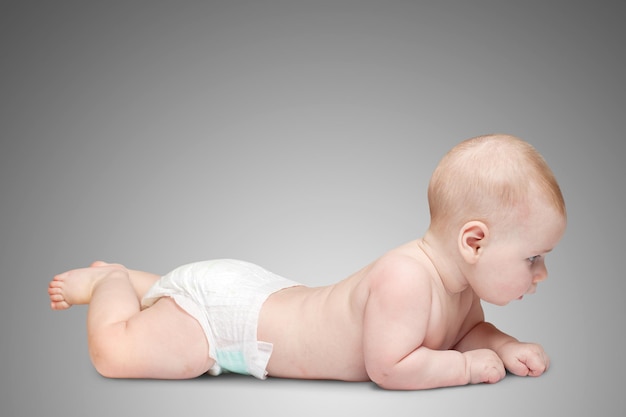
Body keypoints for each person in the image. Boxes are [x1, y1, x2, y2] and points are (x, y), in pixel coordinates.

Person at [48, 134, 567, 390]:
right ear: (473, 243)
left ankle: (151, 285)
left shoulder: (459, 288)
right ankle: (111, 281)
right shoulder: (405, 278)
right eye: (533, 257)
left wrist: (502, 345)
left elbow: (464, 332)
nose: (542, 274)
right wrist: (466, 369)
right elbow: (390, 366)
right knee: (117, 355)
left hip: (257, 293)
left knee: (175, 294)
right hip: (231, 322)